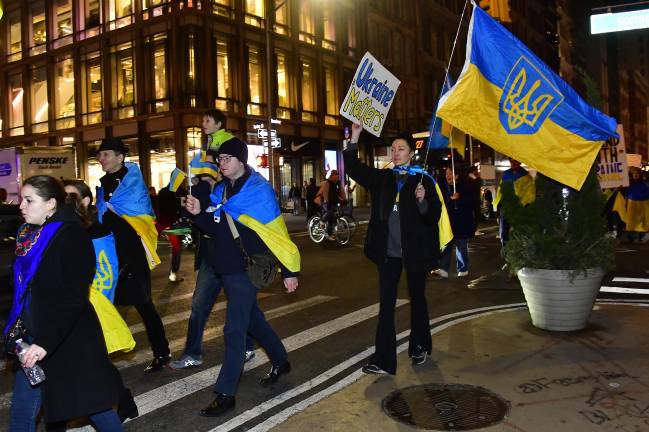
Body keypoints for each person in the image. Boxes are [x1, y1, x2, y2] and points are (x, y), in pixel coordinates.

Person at [185, 137, 299, 417]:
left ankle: (225, 394)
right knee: (254, 322)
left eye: (227, 159)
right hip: (225, 266)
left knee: (234, 330)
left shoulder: (258, 191)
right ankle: (281, 361)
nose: (221, 164)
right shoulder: (221, 190)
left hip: (246, 270)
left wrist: (289, 271)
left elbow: (276, 232)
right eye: (220, 159)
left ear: (241, 160)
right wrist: (198, 213)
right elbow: (215, 226)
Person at [6, 175, 123, 431]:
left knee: (96, 409)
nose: (21, 206)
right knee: (23, 413)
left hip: (66, 340)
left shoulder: (70, 236)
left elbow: (73, 297)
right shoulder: (29, 236)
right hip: (33, 339)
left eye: (29, 200)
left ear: (50, 204)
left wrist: (44, 342)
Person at [345, 123, 442, 374]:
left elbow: (434, 216)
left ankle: (420, 345)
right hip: (388, 254)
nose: (396, 152)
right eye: (394, 149)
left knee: (418, 300)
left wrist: (422, 201)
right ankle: (383, 360)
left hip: (415, 253)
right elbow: (353, 167)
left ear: (411, 153)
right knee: (386, 304)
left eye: (401, 148)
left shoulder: (423, 180)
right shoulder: (384, 178)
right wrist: (355, 135)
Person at [171, 151, 256, 370]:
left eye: (216, 161)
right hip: (211, 257)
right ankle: (192, 352)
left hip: (234, 257)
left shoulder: (230, 187)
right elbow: (193, 219)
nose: (212, 165)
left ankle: (247, 346)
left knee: (245, 307)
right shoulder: (199, 189)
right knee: (199, 306)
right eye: (214, 160)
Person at [62, 179, 139, 423]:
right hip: (76, 305)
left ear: (85, 201)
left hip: (91, 307)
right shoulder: (69, 228)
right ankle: (124, 403)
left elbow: (106, 275)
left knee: (92, 362)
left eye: (71, 197)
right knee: (96, 362)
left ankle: (116, 407)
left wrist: (95, 312)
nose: (65, 202)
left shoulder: (96, 231)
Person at [95, 137, 171, 373]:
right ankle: (97, 359)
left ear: (120, 157)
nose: (101, 159)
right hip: (110, 254)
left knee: (144, 305)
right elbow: (102, 220)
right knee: (102, 305)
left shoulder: (133, 182)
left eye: (106, 154)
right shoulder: (104, 183)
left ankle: (162, 353)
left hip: (131, 254)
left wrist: (116, 211)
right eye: (100, 155)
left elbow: (142, 215)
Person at [433, 167, 476, 278]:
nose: (448, 176)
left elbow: (471, 202)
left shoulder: (465, 187)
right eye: (447, 173)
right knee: (446, 244)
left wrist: (459, 199)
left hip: (461, 221)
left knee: (461, 245)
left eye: (451, 173)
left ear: (457, 176)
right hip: (448, 221)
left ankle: (463, 268)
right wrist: (449, 199)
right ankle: (443, 269)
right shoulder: (443, 187)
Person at [492, 158, 535, 252]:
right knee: (503, 232)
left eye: (515, 161)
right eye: (511, 161)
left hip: (519, 207)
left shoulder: (526, 176)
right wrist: (499, 205)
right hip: (506, 206)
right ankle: (506, 252)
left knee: (519, 231)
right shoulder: (506, 174)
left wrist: (526, 206)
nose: (512, 163)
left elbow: (529, 194)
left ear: (519, 162)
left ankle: (520, 252)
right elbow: (500, 190)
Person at [156, 183, 184, 282]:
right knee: (176, 247)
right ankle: (174, 273)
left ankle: (174, 272)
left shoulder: (175, 191)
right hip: (171, 223)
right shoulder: (173, 192)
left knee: (176, 248)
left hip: (165, 222)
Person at [317, 170, 346, 239]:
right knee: (330, 213)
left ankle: (331, 232)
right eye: (335, 175)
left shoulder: (338, 183)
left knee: (334, 216)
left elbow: (342, 191)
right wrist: (326, 201)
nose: (337, 176)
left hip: (335, 201)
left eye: (337, 175)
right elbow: (325, 192)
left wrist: (344, 199)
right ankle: (322, 221)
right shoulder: (328, 182)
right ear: (332, 176)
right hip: (328, 201)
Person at [466, 165, 484, 235]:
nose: (477, 171)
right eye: (476, 170)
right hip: (472, 200)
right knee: (474, 216)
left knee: (476, 215)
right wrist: (476, 178)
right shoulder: (468, 180)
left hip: (475, 200)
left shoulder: (476, 179)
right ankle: (474, 230)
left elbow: (480, 183)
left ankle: (474, 230)